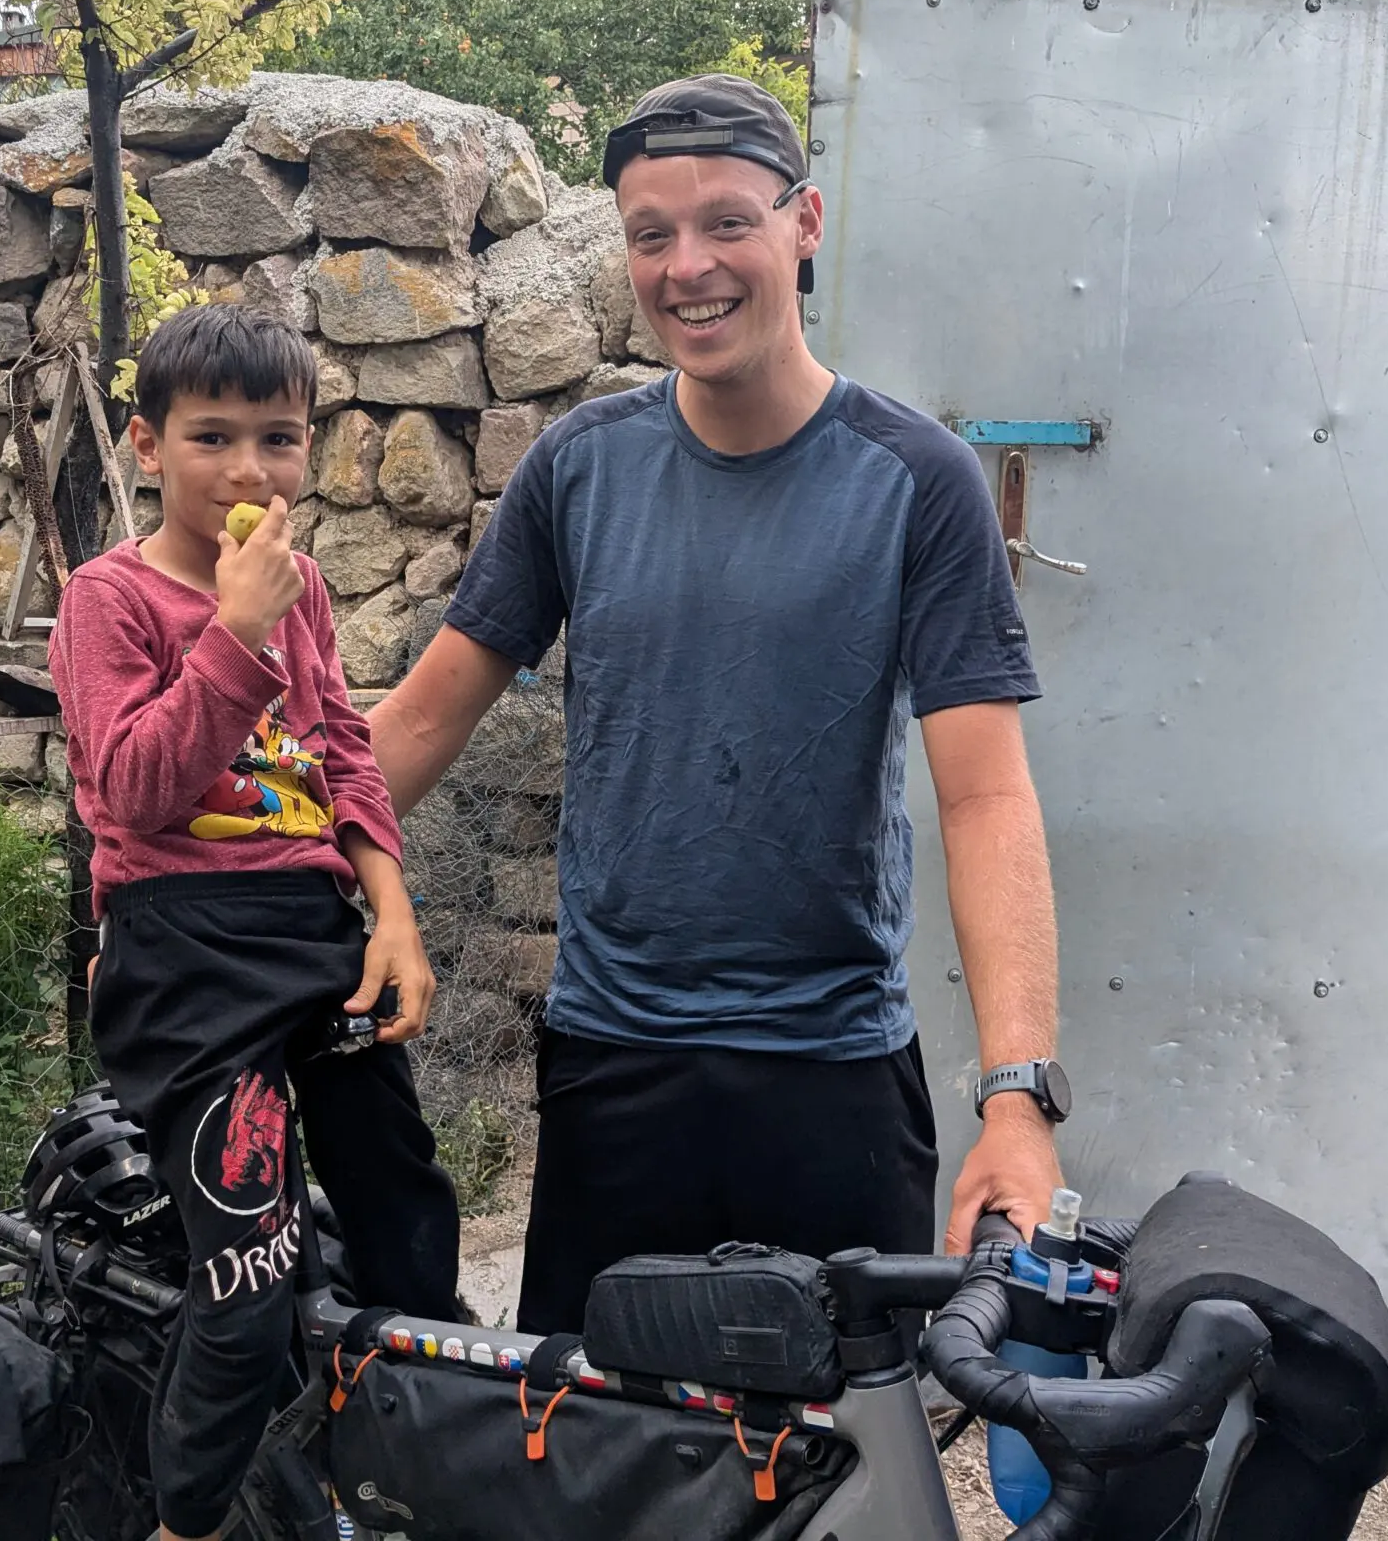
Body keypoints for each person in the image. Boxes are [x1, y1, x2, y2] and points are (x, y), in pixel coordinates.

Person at [368, 74, 1068, 1334]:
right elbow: (420, 723)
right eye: (651, 235)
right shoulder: (579, 468)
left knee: (834, 1474)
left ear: (804, 223)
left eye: (726, 223)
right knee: (599, 1459)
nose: (687, 266)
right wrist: (227, 882)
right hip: (614, 1060)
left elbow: (984, 792)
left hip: (833, 1068)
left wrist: (1016, 1097)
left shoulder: (918, 479)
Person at [50, 303, 461, 1541]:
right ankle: (182, 1524)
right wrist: (233, 631)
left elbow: (341, 751)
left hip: (312, 931)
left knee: (405, 1217)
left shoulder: (308, 588)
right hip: (186, 953)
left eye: (276, 441)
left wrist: (391, 913)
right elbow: (131, 790)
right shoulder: (108, 599)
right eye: (211, 438)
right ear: (145, 445)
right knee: (248, 1276)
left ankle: (388, 1472)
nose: (246, 472)